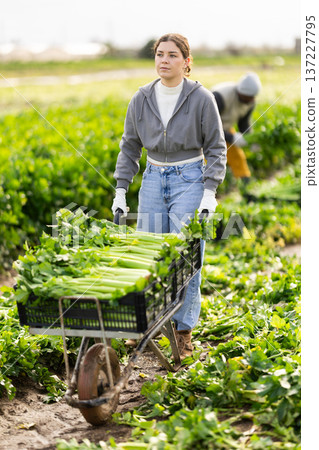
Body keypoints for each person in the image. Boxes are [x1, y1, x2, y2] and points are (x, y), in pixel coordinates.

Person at [112, 33, 227, 359]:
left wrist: (209, 193)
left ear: (186, 62)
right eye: (160, 54)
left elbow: (216, 149)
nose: (164, 60)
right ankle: (144, 325)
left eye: (173, 55)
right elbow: (130, 146)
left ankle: (183, 330)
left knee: (187, 258)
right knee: (148, 254)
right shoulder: (142, 98)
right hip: (152, 178)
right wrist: (121, 189)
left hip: (188, 179)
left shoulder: (201, 98)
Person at [212, 72, 262, 183]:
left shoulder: (249, 102)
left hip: (225, 130)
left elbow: (243, 124)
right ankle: (207, 193)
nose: (251, 100)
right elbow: (207, 125)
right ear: (241, 93)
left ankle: (246, 188)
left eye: (252, 98)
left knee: (238, 157)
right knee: (209, 162)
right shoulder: (220, 96)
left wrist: (252, 139)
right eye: (248, 98)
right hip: (206, 133)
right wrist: (232, 138)